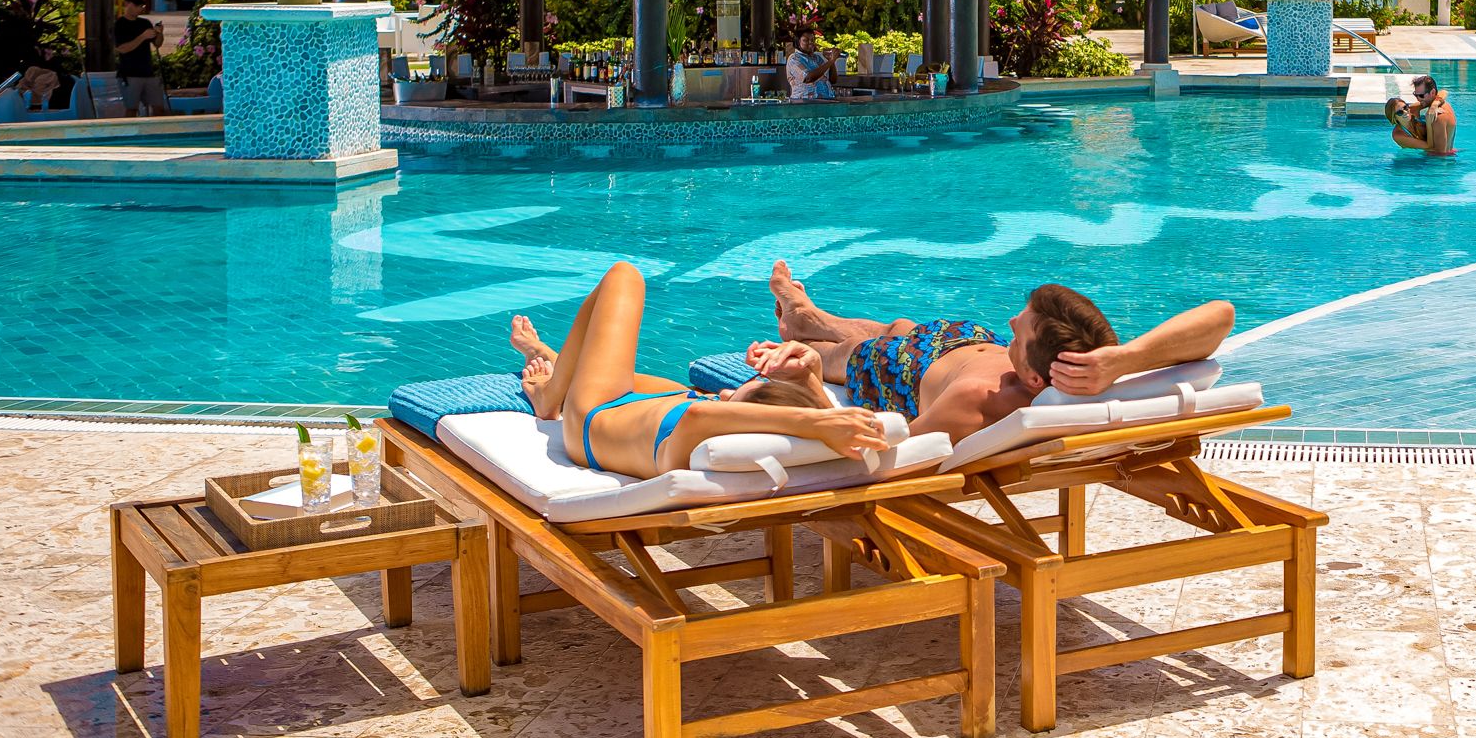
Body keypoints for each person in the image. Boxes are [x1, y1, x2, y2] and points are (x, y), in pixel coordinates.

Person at [763, 261, 1235, 441]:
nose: (1012, 320)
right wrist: (1124, 358)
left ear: (1035, 379)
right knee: (900, 325)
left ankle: (802, 331)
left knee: (845, 353)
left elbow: (894, 448)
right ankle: (807, 314)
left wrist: (807, 381)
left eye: (1021, 328)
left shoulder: (977, 399)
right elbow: (1222, 313)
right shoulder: (1103, 367)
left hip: (905, 369)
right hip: (964, 341)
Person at [506, 264, 889, 479]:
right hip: (651, 405)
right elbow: (712, 407)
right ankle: (550, 360)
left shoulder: (688, 439)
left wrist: (814, 424)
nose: (722, 394)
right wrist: (812, 371)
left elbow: (700, 412)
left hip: (593, 414)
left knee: (624, 276)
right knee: (599, 357)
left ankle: (550, 394)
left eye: (734, 398)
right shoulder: (713, 418)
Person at [112, 0, 172, 117]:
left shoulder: (145, 23)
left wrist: (159, 33)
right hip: (130, 74)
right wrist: (142, 37)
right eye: (137, 5)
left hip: (148, 73)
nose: (140, 9)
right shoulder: (120, 24)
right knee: (132, 109)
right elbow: (122, 48)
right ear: (127, 4)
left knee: (159, 108)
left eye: (141, 6)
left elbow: (157, 44)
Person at [1389, 75, 1454, 156]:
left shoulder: (1412, 110)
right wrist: (1429, 123)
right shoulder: (1398, 135)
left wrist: (1434, 104)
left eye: (1421, 95)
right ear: (1393, 116)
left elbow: (1443, 92)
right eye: (1415, 95)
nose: (1418, 99)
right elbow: (1429, 146)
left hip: (1435, 160)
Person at [784, 28, 840, 101]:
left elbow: (833, 80)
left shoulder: (817, 58)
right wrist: (831, 61)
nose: (810, 42)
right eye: (806, 40)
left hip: (824, 102)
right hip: (804, 104)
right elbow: (808, 78)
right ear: (798, 42)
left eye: (812, 40)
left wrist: (831, 61)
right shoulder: (794, 58)